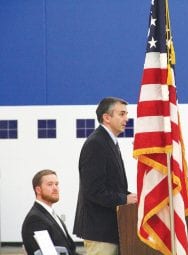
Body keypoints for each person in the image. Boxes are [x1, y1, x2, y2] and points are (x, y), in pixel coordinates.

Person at [73, 97, 137, 255]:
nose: (126, 119)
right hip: (100, 231)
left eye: (126, 114)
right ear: (106, 117)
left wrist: (130, 196)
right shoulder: (96, 143)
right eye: (121, 114)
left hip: (110, 230)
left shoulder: (109, 142)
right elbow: (93, 191)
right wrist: (124, 199)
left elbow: (112, 185)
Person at [21, 169, 78, 255]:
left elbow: (70, 250)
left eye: (56, 184)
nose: (55, 188)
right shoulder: (35, 219)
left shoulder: (50, 214)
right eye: (50, 184)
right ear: (38, 190)